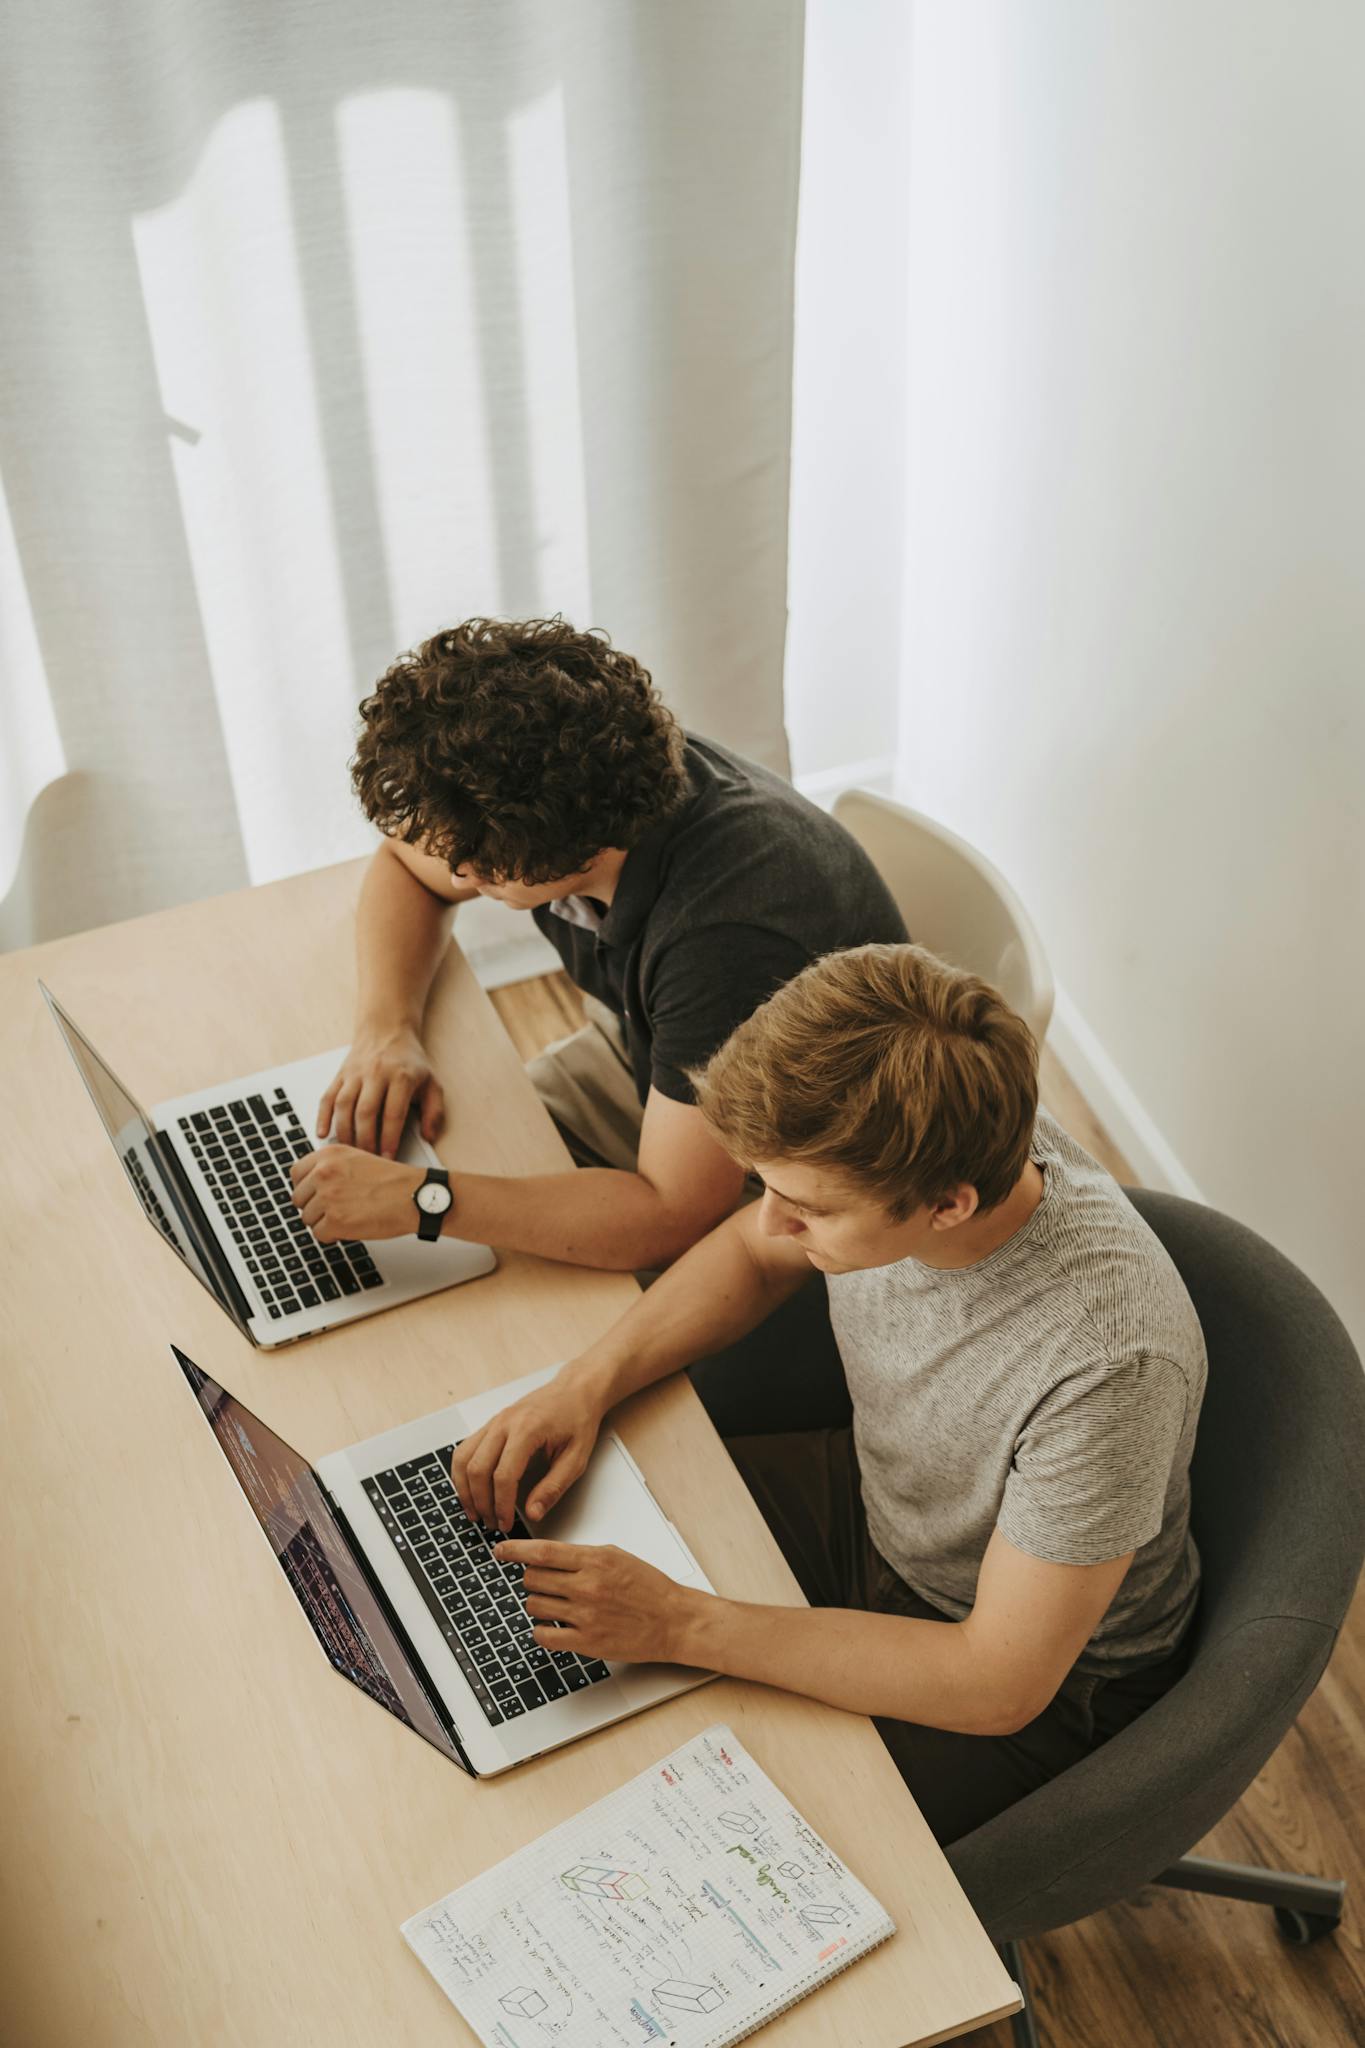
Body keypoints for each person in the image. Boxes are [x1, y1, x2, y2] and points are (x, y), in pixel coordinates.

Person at [452, 942, 1208, 1862]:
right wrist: (581, 1388)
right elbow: (747, 1251)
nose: (771, 1221)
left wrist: (681, 1622)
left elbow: (996, 1682)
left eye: (805, 1206)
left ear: (947, 1206)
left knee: (684, 1838)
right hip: (881, 1510)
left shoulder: (1106, 1366)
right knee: (512, 1580)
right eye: (766, 1186)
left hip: (1026, 1676)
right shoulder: (925, 1139)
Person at [288, 616, 905, 1273]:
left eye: (477, 865)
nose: (460, 875)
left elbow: (671, 1213)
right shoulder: (598, 763)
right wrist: (387, 1030)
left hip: (787, 1167)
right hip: (651, 1061)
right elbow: (405, 867)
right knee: (427, 1174)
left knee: (462, 1260)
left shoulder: (725, 942)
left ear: (567, 847)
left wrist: (428, 1201)